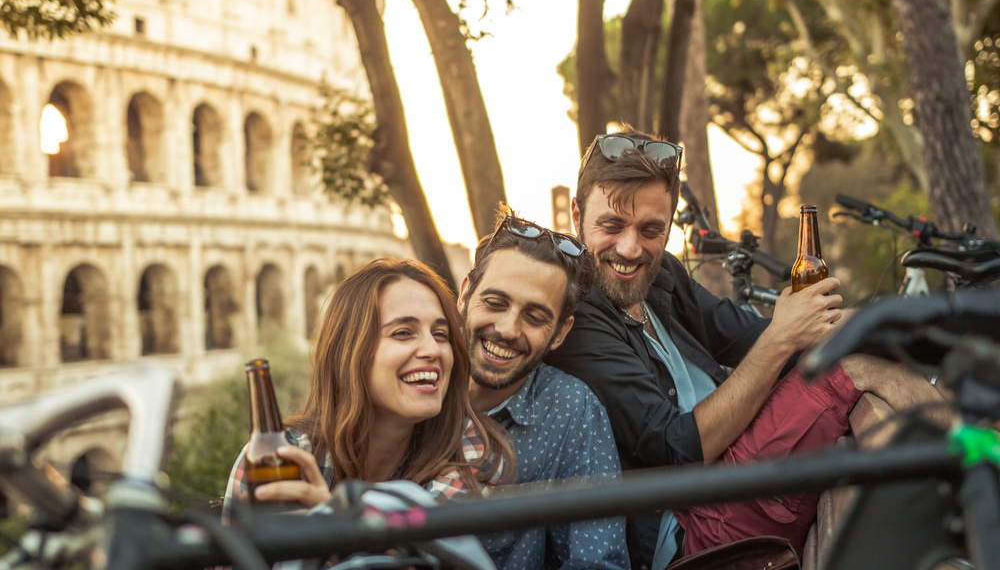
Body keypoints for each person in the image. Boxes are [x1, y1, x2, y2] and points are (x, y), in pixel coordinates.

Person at [545, 126, 945, 570]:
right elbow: (677, 452)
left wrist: (875, 324)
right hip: (687, 532)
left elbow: (748, 335)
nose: (630, 247)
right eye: (612, 225)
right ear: (578, 214)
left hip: (736, 479)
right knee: (855, 371)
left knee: (862, 360)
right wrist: (786, 336)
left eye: (651, 229)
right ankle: (981, 462)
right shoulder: (577, 315)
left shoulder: (661, 277)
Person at [222, 258, 515, 520]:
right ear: (349, 352)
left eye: (441, 334)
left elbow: (424, 558)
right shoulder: (280, 456)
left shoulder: (472, 452)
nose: (432, 349)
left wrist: (334, 528)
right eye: (403, 333)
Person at [457, 208, 630, 570]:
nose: (507, 328)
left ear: (561, 333)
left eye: (535, 317)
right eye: (495, 302)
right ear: (464, 294)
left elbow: (598, 562)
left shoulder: (573, 409)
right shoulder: (411, 373)